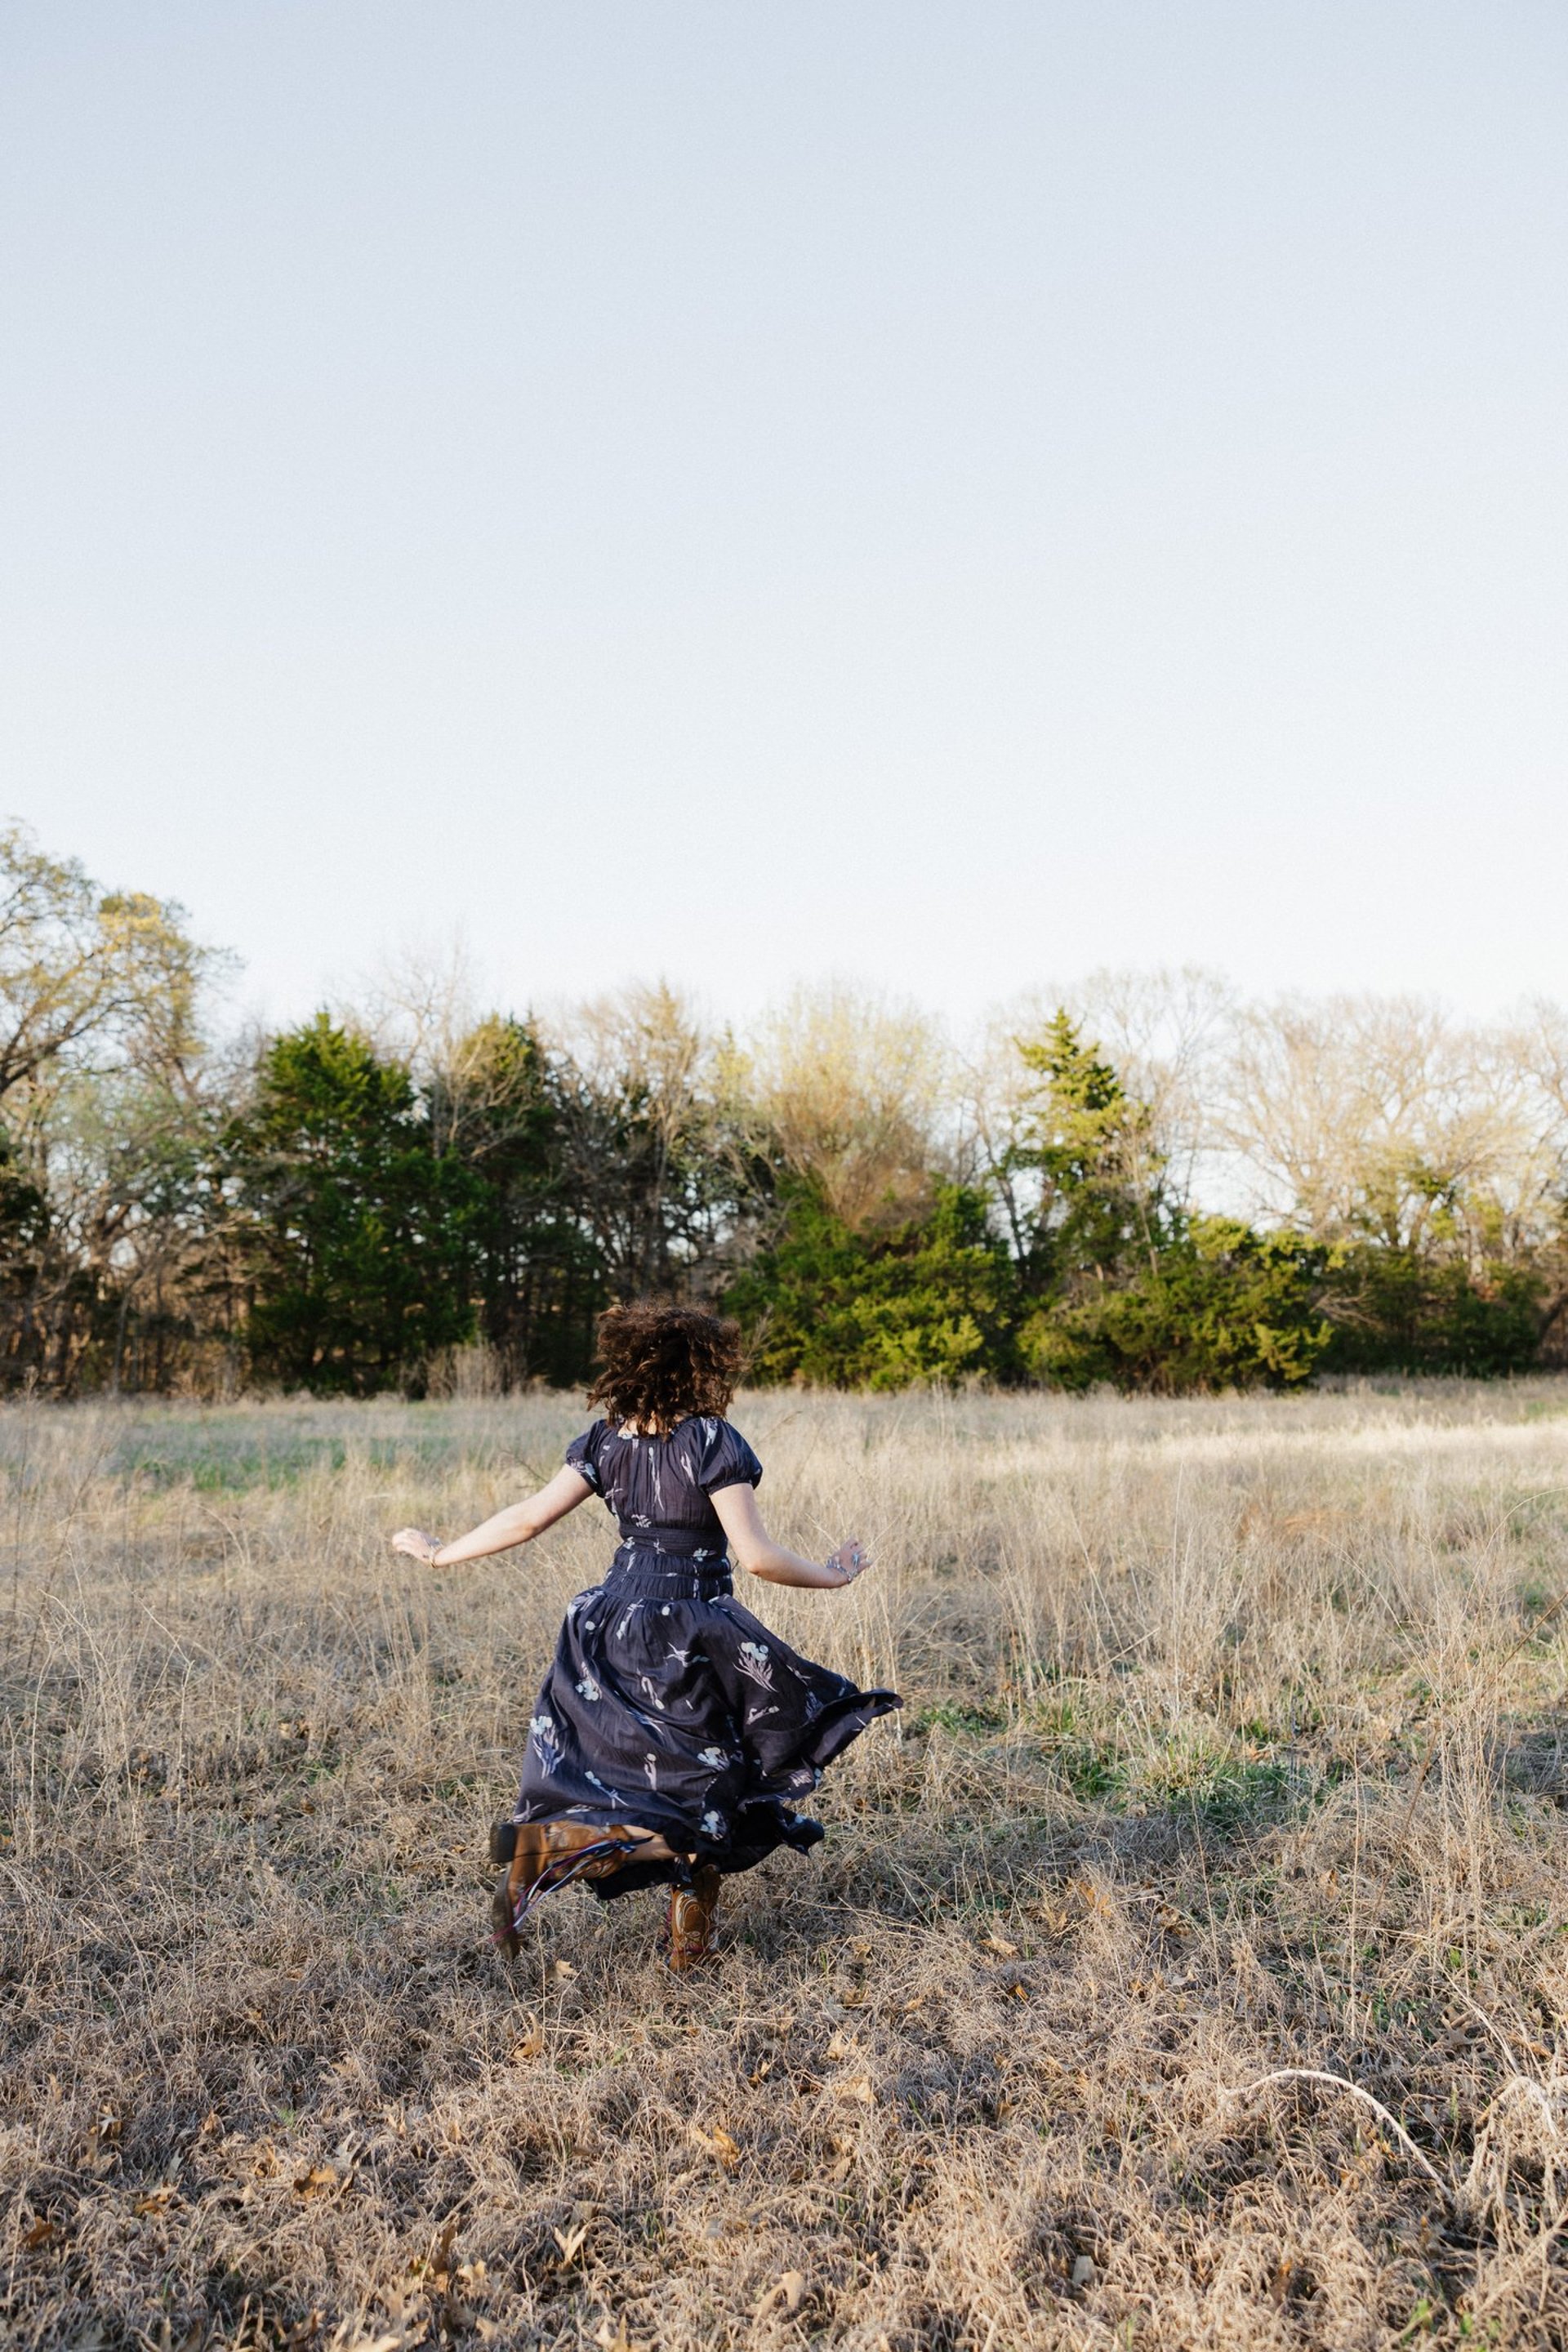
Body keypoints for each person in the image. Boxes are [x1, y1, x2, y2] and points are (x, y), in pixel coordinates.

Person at [390, 1303, 900, 1970]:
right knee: (707, 1786)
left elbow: (526, 1520)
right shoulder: (712, 1441)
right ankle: (642, 1905)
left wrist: (440, 1552)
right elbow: (756, 1556)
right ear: (704, 1366)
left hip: (606, 1622)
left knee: (625, 1780)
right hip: (687, 1630)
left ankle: (588, 1871)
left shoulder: (606, 1441)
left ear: (627, 1368)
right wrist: (835, 1576)